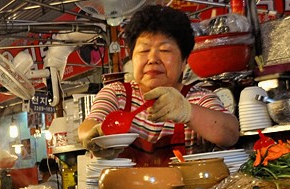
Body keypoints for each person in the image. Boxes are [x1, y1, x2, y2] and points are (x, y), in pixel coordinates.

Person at [78, 5, 239, 167]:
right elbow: (88, 127)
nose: (153, 59)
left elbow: (231, 133)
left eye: (165, 50)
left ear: (184, 62)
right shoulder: (117, 94)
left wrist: (188, 112)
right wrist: (96, 135)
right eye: (144, 50)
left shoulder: (198, 98)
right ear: (132, 58)